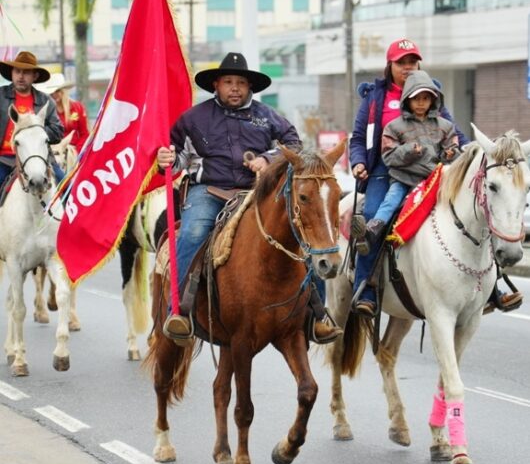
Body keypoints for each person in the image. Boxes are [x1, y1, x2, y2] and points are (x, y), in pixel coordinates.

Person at [157, 52, 342, 344]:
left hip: (255, 194)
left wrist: (268, 159)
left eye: (240, 83)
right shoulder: (193, 119)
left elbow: (294, 146)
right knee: (192, 233)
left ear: (250, 87)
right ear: (216, 85)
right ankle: (178, 311)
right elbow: (176, 158)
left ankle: (317, 315)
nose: (234, 87)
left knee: (303, 236)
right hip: (209, 191)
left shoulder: (269, 117)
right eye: (228, 82)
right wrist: (165, 158)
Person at [350, 38, 521, 317]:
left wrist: (469, 153)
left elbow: (452, 132)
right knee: (372, 217)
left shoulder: (430, 92)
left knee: (476, 208)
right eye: (401, 62)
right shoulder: (375, 97)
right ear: (389, 65)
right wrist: (358, 162)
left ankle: (493, 287)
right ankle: (365, 289)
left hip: (432, 170)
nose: (407, 67)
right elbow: (359, 138)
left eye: (412, 62)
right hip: (388, 170)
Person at [353, 69, 460, 255]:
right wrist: (409, 151)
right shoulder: (394, 127)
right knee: (391, 199)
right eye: (416, 98)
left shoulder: (445, 126)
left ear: (434, 100)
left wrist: (451, 153)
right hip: (403, 178)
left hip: (434, 180)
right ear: (406, 100)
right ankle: (373, 229)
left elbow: (452, 148)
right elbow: (388, 156)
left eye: (426, 98)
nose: (421, 103)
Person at [0, 51, 64, 189]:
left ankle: (69, 210)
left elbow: (57, 131)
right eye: (17, 71)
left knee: (65, 184)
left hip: (38, 157)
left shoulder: (46, 101)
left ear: (35, 76)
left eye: (26, 72)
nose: (21, 76)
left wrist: (35, 131)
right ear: (12, 73)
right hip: (3, 158)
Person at [37, 72, 90, 152]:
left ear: (63, 91)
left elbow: (85, 133)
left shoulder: (77, 107)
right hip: (54, 152)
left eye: (57, 91)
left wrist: (76, 150)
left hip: (75, 152)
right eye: (51, 92)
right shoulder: (45, 111)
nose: (54, 94)